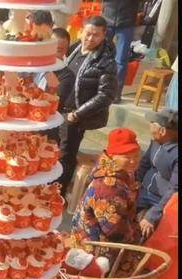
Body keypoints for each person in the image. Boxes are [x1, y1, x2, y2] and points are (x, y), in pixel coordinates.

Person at [57, 16, 118, 196]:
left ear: (103, 35)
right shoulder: (74, 47)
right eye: (88, 34)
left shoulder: (106, 61)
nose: (90, 39)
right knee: (54, 150)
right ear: (81, 31)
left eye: (96, 35)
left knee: (66, 154)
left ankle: (58, 194)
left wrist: (78, 114)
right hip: (60, 108)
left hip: (76, 116)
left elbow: (106, 95)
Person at [71, 128, 142, 266]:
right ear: (113, 156)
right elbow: (114, 231)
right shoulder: (108, 186)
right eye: (127, 157)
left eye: (136, 156)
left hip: (95, 233)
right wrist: (136, 238)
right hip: (95, 248)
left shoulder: (115, 169)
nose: (133, 161)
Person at [136, 109, 178, 240]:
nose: (149, 125)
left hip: (160, 201)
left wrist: (152, 215)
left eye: (153, 122)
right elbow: (144, 164)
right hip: (143, 192)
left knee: (145, 232)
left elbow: (174, 189)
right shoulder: (156, 141)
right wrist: (134, 184)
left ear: (163, 131)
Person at [102, 0, 141, 103]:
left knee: (121, 61)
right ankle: (96, 87)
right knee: (101, 55)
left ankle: (115, 93)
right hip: (107, 18)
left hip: (127, 22)